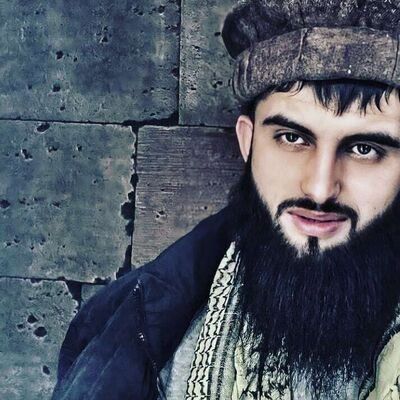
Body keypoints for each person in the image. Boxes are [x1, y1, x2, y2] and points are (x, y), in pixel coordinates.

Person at [52, 1, 400, 399]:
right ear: (248, 142)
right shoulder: (129, 331)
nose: (320, 189)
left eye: (364, 149)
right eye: (292, 138)